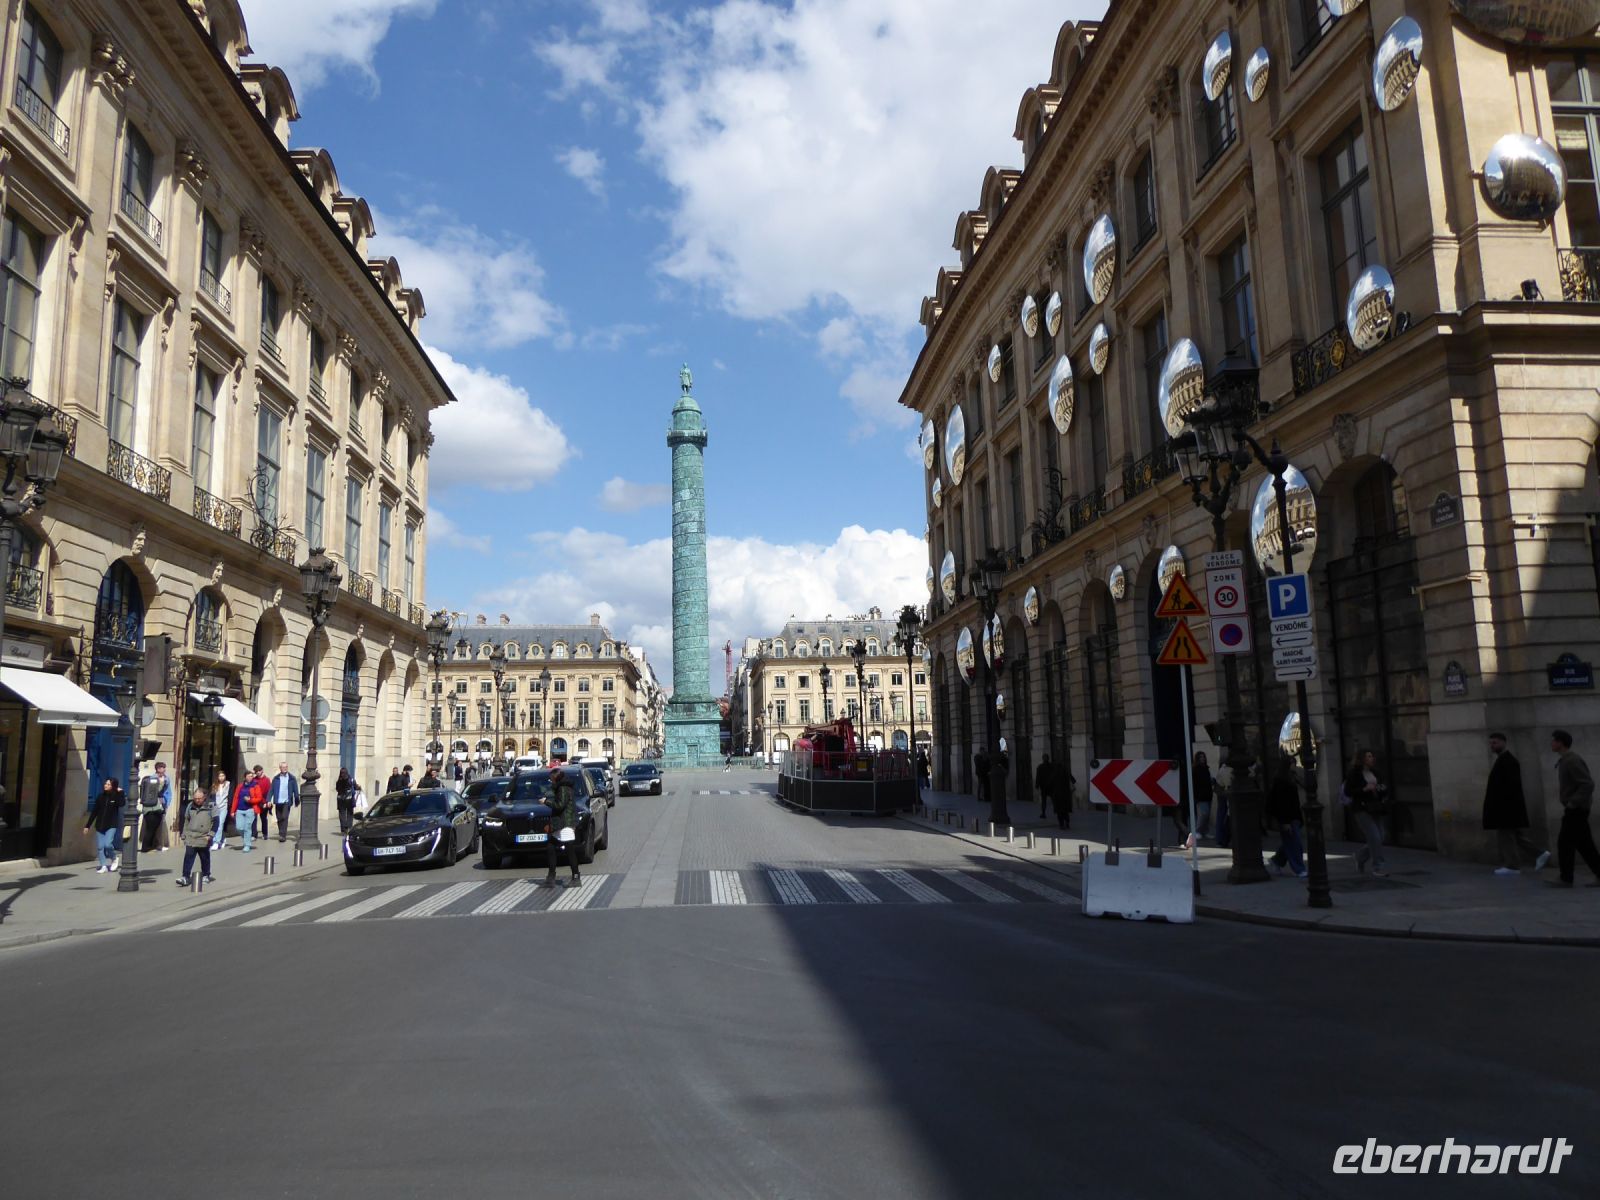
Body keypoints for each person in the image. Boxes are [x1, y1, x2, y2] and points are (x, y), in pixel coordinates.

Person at [1484, 733, 1547, 876]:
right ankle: (1539, 853)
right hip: (1507, 807)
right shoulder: (1504, 760)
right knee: (1516, 835)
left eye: (1495, 743)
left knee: (1507, 836)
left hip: (1506, 808)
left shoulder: (1508, 761)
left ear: (1503, 743)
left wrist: (1502, 807)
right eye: (1491, 743)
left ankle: (1512, 866)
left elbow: (1510, 787)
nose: (1492, 746)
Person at [1550, 729, 1600, 888]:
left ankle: (1566, 878)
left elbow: (1587, 784)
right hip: (1576, 809)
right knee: (1584, 844)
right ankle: (1568, 877)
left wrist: (1573, 802)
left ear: (1560, 743)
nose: (1551, 743)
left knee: (1565, 843)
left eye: (1554, 740)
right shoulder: (1566, 760)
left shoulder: (1572, 760)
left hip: (1576, 809)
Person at [1344, 749, 1389, 877]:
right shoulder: (1354, 774)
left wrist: (1381, 789)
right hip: (1362, 808)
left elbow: (1383, 786)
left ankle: (1359, 857)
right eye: (1368, 756)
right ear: (1362, 759)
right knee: (1374, 837)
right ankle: (1378, 866)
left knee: (1381, 836)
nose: (1372, 758)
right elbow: (1348, 791)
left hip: (1376, 807)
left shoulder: (1375, 772)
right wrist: (1364, 789)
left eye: (1372, 756)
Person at [1267, 760, 1306, 878]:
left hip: (1294, 815)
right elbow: (1280, 803)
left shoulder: (1292, 778)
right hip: (1287, 818)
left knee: (1290, 842)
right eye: (1293, 763)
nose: (1295, 765)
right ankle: (1298, 869)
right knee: (1295, 843)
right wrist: (1285, 822)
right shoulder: (1280, 782)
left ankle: (1277, 860)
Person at [544, 766, 581, 888]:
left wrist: (546, 801)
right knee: (551, 846)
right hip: (562, 823)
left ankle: (575, 877)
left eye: (551, 779)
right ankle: (552, 876)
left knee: (569, 850)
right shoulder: (563, 787)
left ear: (556, 778)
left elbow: (560, 805)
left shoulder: (563, 789)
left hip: (565, 824)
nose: (551, 781)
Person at [175, 786, 217, 887]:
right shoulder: (190, 806)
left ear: (204, 797)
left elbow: (216, 822)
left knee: (204, 857)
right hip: (191, 836)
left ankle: (206, 874)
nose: (197, 800)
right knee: (188, 856)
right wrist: (184, 833)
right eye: (195, 798)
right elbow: (186, 821)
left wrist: (210, 835)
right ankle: (185, 876)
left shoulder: (211, 806)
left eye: (199, 798)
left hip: (204, 836)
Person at [85, 777, 126, 873]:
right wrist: (87, 826)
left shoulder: (116, 796)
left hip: (111, 824)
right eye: (105, 784)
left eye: (108, 784)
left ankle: (114, 858)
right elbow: (94, 812)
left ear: (113, 786)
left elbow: (122, 804)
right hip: (100, 825)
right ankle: (103, 865)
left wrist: (121, 792)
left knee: (107, 845)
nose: (105, 786)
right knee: (100, 847)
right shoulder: (100, 796)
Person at [137, 762, 172, 853]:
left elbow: (168, 792)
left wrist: (166, 803)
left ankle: (156, 845)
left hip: (160, 806)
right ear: (157, 769)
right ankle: (147, 847)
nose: (163, 769)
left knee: (157, 826)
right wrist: (161, 782)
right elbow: (155, 791)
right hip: (151, 806)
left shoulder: (166, 779)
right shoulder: (152, 779)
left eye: (164, 767)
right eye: (161, 767)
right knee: (150, 827)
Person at [268, 762, 299, 842]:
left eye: (286, 767)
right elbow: (271, 790)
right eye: (283, 767)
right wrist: (268, 800)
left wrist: (296, 799)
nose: (285, 768)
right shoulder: (276, 778)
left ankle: (282, 835)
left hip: (287, 801)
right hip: (278, 801)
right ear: (280, 768)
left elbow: (295, 789)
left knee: (284, 817)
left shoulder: (292, 778)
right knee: (279, 818)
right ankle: (281, 832)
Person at [1192, 751, 1215, 839]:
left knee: (1207, 814)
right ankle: (1198, 831)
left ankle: (1204, 831)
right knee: (1203, 813)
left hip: (1208, 794)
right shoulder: (1195, 769)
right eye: (1200, 757)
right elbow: (1194, 784)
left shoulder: (1206, 768)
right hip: (1200, 795)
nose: (1202, 759)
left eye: (1203, 757)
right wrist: (1196, 796)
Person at [209, 770, 231, 852]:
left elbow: (231, 794)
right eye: (220, 776)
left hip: (224, 807)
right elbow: (211, 796)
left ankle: (216, 842)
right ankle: (222, 838)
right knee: (215, 824)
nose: (221, 777)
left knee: (220, 824)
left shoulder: (228, 784)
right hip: (216, 807)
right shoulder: (215, 785)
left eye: (223, 776)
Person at [1052, 758, 1074, 830]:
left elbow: (1050, 783)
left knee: (1059, 811)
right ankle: (1067, 823)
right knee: (1065, 811)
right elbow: (1073, 780)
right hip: (1065, 794)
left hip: (1057, 795)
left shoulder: (1054, 773)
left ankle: (1061, 824)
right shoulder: (1066, 772)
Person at [335, 767, 354, 833]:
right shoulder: (350, 779)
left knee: (342, 813)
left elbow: (337, 789)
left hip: (340, 799)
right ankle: (349, 826)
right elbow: (355, 786)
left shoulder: (339, 780)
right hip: (349, 798)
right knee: (350, 813)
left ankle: (343, 828)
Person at [1035, 754, 1053, 819]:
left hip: (1044, 786)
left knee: (1044, 800)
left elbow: (1038, 777)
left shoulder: (1040, 767)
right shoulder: (1051, 766)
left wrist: (1037, 785)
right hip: (1050, 786)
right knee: (1052, 799)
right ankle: (1046, 812)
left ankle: (1043, 813)